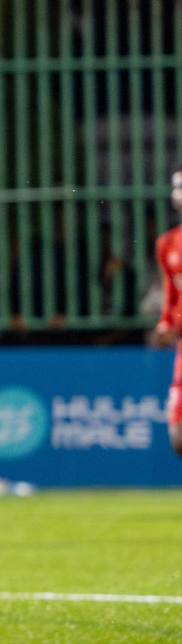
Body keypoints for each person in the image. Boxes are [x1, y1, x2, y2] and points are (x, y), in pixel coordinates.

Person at [153, 166, 182, 458]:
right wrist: (164, 324)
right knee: (178, 437)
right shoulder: (168, 244)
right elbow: (171, 293)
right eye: (177, 187)